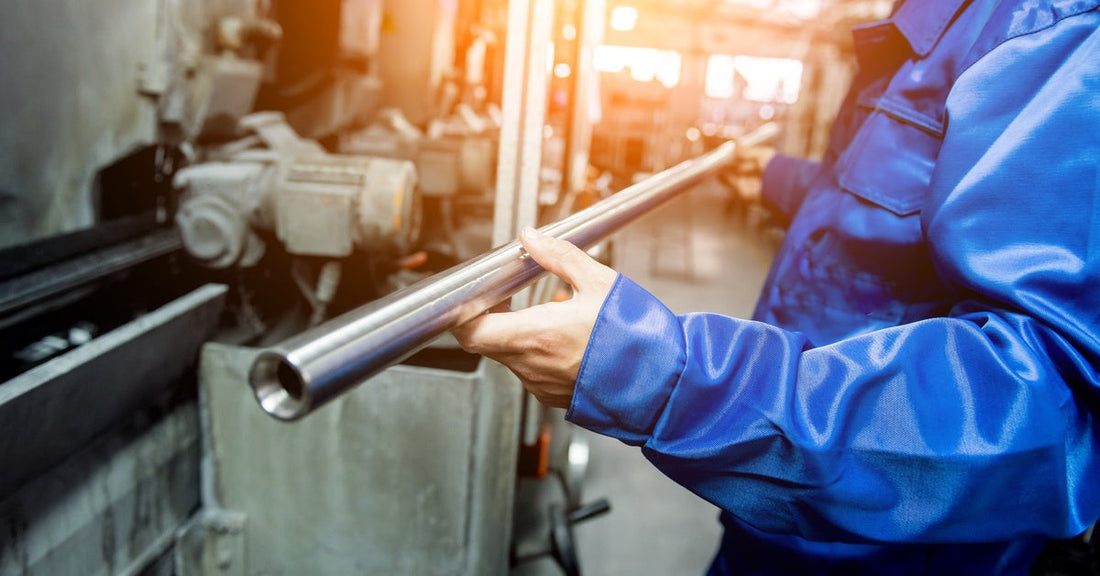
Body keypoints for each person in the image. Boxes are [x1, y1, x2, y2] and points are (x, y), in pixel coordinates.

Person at [453, 0, 1100, 573]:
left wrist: (661, 377)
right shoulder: (927, 26)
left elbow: (1046, 403)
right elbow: (883, 204)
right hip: (781, 508)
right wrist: (777, 178)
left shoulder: (1049, 32)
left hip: (885, 546)